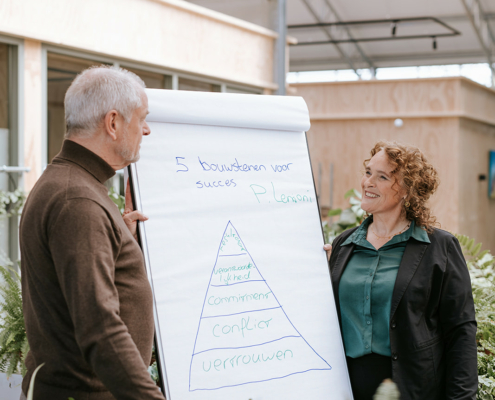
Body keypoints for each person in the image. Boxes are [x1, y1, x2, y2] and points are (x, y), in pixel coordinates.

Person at [19, 66, 165, 399]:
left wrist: (118, 239)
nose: (146, 130)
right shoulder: (77, 199)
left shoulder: (72, 185)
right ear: (113, 123)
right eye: (141, 118)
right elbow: (100, 330)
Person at [324, 141, 477, 400]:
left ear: (407, 190)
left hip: (413, 388)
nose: (368, 182)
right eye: (368, 172)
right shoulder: (343, 245)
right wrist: (321, 274)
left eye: (382, 176)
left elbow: (460, 330)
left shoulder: (440, 247)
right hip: (345, 387)